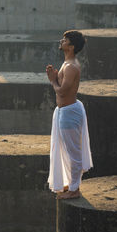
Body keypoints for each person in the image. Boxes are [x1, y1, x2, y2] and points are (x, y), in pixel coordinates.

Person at [46, 30, 93, 199]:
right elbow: (61, 88)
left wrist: (52, 80)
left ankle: (75, 189)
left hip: (70, 112)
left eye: (65, 40)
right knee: (65, 150)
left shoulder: (71, 66)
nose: (61, 41)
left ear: (71, 47)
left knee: (73, 152)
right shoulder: (67, 63)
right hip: (64, 111)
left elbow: (63, 91)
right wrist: (54, 77)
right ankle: (71, 184)